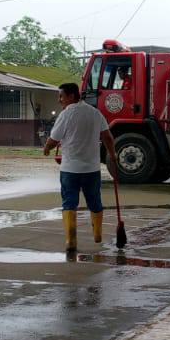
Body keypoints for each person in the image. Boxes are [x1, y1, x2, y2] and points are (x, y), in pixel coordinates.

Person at [43, 82, 118, 253]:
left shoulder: (66, 114)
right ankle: (97, 234)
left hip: (70, 169)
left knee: (69, 203)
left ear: (71, 96)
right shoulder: (95, 113)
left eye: (61, 96)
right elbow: (107, 136)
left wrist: (46, 149)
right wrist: (113, 156)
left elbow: (53, 139)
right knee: (95, 201)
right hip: (92, 169)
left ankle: (71, 240)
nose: (59, 100)